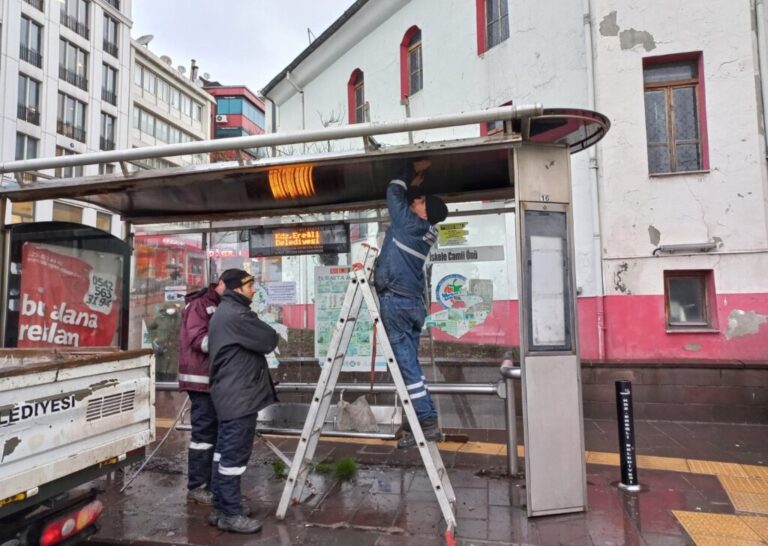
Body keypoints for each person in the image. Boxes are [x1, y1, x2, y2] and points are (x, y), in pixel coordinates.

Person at [374, 159, 449, 449]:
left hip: (397, 302)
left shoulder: (410, 224)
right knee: (409, 365)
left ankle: (427, 422)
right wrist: (416, 184)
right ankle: (415, 422)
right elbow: (406, 203)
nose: (415, 200)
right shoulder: (422, 229)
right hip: (411, 303)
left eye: (419, 201)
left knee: (406, 366)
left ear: (424, 212)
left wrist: (408, 170)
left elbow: (393, 193)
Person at [208, 269, 279, 534]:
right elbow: (269, 339)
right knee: (233, 457)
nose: (254, 289)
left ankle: (221, 506)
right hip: (239, 395)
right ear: (237, 288)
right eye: (250, 285)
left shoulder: (224, 312)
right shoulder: (237, 315)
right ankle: (230, 513)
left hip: (229, 393)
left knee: (222, 452)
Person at [178, 273, 228, 506]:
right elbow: (198, 340)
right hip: (200, 380)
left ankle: (212, 484)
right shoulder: (200, 304)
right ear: (222, 285)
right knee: (204, 435)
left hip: (214, 379)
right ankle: (197, 486)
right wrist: (233, 340)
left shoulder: (218, 304)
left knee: (215, 433)